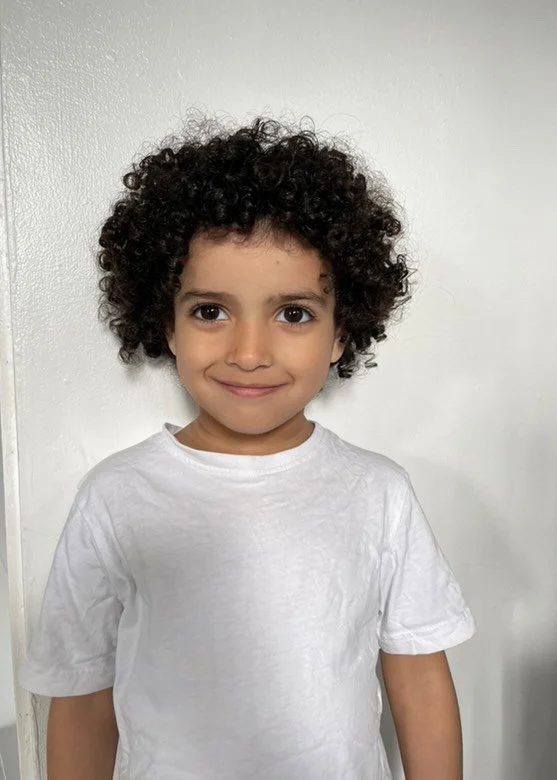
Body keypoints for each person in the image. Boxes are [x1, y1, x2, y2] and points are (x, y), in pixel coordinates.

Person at [18, 114, 476, 779]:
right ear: (165, 323)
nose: (250, 353)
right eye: (210, 311)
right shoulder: (117, 496)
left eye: (293, 313)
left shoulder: (379, 492)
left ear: (342, 331)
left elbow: (419, 676)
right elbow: (81, 695)